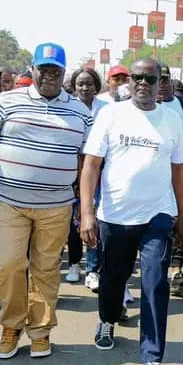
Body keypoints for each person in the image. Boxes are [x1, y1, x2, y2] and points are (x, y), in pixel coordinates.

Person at [0, 43, 92, 360]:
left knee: (46, 270)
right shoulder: (8, 101)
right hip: (9, 201)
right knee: (8, 265)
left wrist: (87, 205)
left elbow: (90, 160)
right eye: (43, 69)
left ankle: (40, 331)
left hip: (57, 205)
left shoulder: (80, 111)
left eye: (55, 70)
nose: (49, 75)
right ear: (32, 70)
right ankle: (11, 325)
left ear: (63, 73)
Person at [80, 57, 183, 365]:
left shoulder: (171, 118)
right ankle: (107, 319)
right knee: (113, 277)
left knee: (155, 282)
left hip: (157, 214)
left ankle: (153, 357)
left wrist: (182, 214)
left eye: (150, 79)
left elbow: (179, 170)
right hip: (115, 214)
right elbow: (91, 165)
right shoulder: (111, 114)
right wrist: (87, 213)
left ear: (161, 83)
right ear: (128, 81)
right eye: (137, 78)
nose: (143, 83)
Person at [157, 65, 183, 295]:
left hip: (181, 176)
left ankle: (176, 270)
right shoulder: (144, 108)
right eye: (157, 79)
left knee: (181, 223)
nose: (161, 84)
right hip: (153, 180)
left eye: (164, 79)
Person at [65, 68, 107, 286]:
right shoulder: (67, 108)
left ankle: (93, 269)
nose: (85, 88)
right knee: (74, 220)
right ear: (74, 86)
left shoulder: (107, 109)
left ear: (96, 86)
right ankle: (74, 264)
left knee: (94, 218)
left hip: (98, 171)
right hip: (71, 171)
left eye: (89, 83)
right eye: (80, 84)